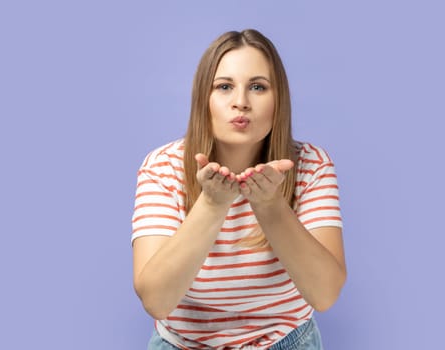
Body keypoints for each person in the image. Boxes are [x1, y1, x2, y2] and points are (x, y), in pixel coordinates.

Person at [131, 29, 346, 349]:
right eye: (224, 87)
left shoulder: (312, 165)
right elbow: (156, 301)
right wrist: (212, 205)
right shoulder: (162, 167)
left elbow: (325, 294)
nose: (241, 102)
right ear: (204, 98)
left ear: (279, 99)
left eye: (258, 87)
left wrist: (270, 205)